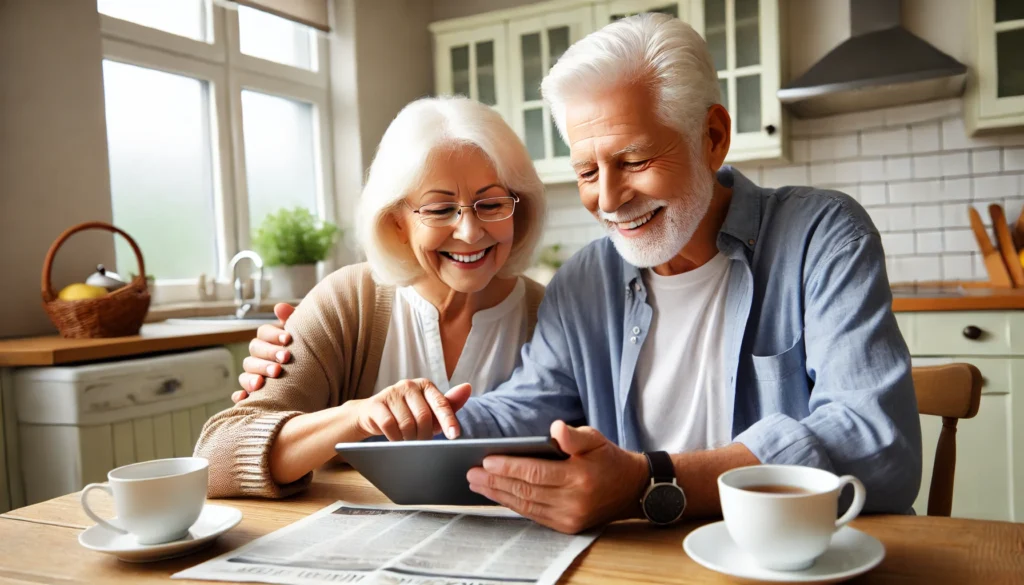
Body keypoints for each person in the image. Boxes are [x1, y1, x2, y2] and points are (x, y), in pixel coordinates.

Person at [238, 13, 922, 533]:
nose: (608, 197)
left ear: (712, 136)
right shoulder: (586, 281)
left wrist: (650, 481)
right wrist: (409, 418)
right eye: (587, 170)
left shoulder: (822, 235)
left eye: (632, 160)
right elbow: (521, 407)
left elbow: (879, 446)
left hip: (789, 556)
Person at [194, 96, 547, 498]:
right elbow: (215, 461)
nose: (469, 231)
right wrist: (357, 415)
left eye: (491, 204)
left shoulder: (550, 314)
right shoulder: (348, 301)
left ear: (517, 210)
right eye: (439, 209)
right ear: (397, 222)